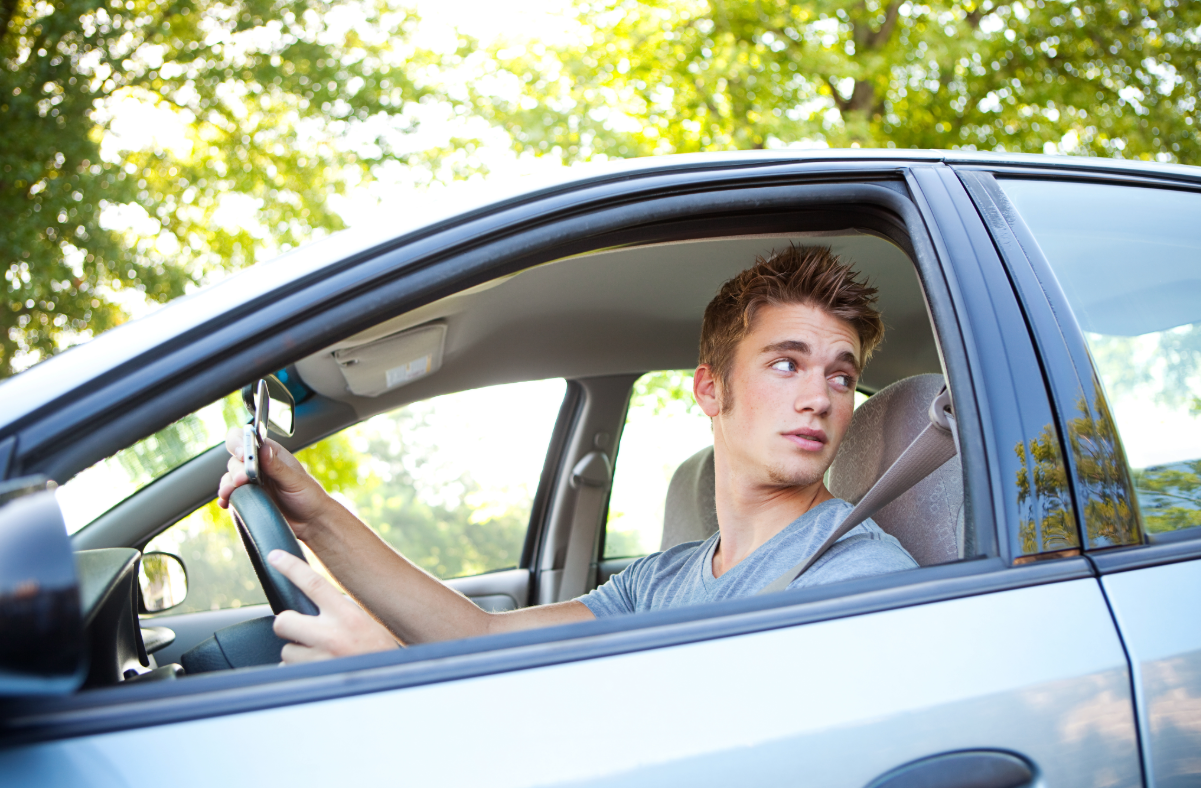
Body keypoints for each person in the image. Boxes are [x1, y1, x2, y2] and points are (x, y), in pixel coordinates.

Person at [217, 245, 918, 663]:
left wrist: (398, 680)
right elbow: (482, 634)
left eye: (840, 375)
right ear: (710, 389)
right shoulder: (662, 580)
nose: (819, 399)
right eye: (786, 364)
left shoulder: (858, 577)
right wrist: (314, 516)